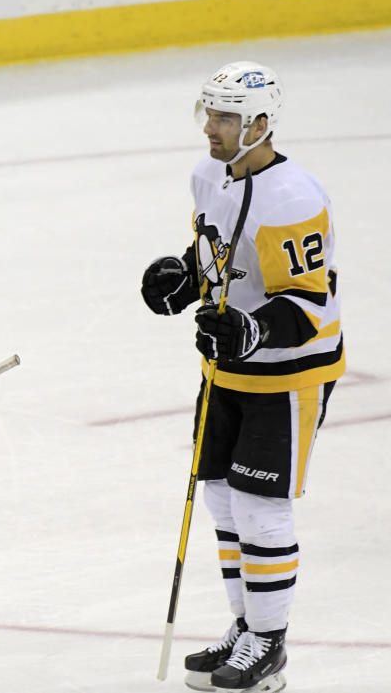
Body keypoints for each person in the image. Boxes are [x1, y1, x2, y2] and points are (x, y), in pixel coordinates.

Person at [141, 62, 343, 692]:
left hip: (289, 374)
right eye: (210, 114)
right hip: (225, 369)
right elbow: (215, 258)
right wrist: (183, 278)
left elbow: (308, 305)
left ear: (260, 124)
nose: (212, 128)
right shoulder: (207, 176)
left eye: (226, 117)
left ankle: (270, 645)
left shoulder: (295, 197)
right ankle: (246, 624)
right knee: (224, 500)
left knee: (261, 510)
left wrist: (252, 331)